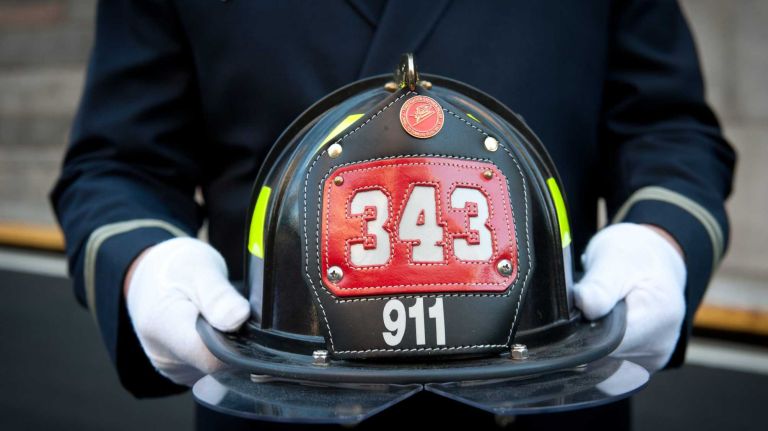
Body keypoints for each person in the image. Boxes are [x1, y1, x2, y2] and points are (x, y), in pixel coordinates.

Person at [51, 1, 735, 429]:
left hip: (551, 393)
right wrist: (143, 262)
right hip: (281, 399)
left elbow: (666, 126)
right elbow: (117, 165)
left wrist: (661, 239)